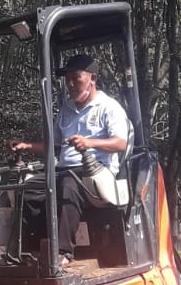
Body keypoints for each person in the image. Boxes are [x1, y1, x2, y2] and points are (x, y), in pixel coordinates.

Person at [10, 53, 131, 266]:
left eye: (77, 78)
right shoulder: (66, 109)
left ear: (92, 78)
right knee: (25, 189)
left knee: (67, 185)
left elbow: (121, 143)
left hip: (96, 172)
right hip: (65, 170)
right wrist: (28, 145)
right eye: (68, 80)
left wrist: (91, 143)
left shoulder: (109, 107)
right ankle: (31, 250)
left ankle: (63, 253)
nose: (71, 84)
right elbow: (55, 145)